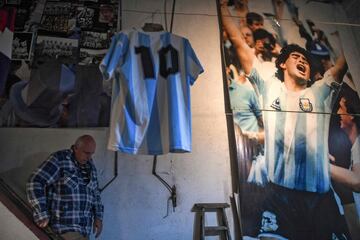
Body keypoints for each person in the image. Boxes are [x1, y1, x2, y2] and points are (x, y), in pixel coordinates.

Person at [221, 1, 350, 239]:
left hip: (320, 199)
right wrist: (221, 9)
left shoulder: (321, 91)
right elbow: (239, 42)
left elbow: (343, 62)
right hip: (280, 197)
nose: (302, 61)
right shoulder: (269, 87)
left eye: (306, 61)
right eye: (296, 56)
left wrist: (345, 21)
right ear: (282, 63)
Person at [26, 135, 104, 240]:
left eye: (92, 153)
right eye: (86, 153)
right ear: (76, 148)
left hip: (84, 230)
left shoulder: (91, 166)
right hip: (64, 229)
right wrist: (41, 213)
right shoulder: (60, 159)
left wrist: (98, 217)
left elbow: (95, 193)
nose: (89, 157)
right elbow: (35, 182)